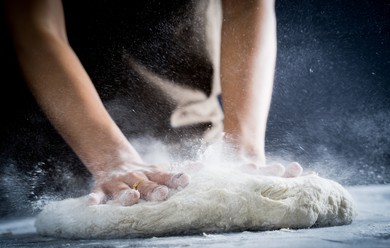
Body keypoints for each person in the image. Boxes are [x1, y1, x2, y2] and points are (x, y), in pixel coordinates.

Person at [3, 0, 302, 207]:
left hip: (198, 156)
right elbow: (37, 25)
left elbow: (246, 7)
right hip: (67, 162)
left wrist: (239, 150)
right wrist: (110, 160)